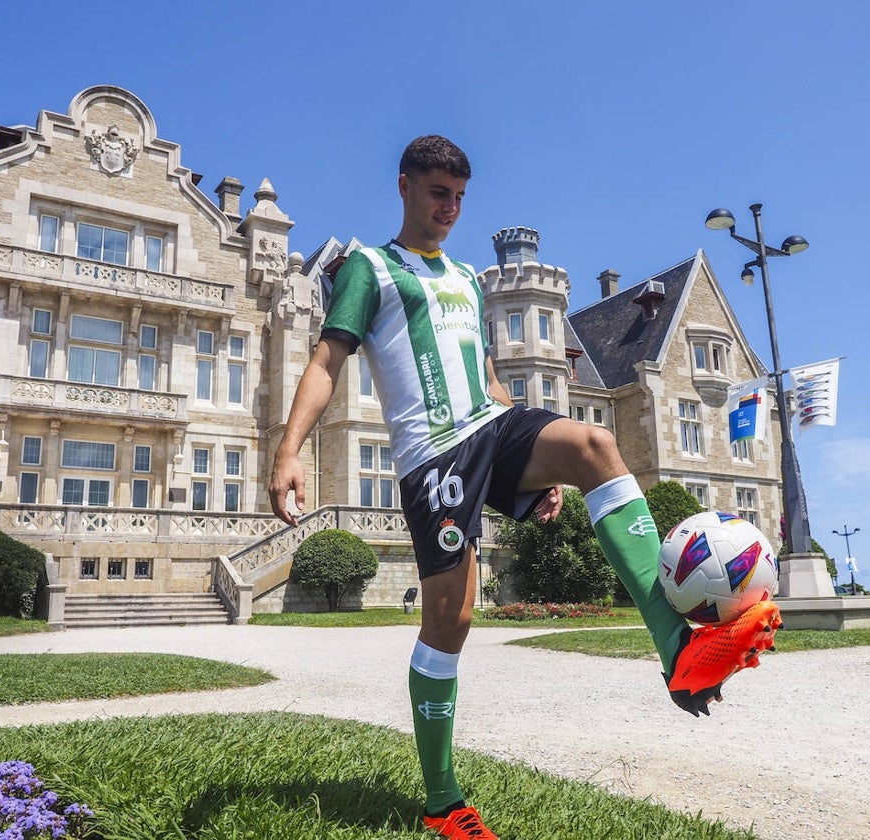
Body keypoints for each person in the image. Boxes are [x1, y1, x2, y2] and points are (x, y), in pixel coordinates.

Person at [269, 135, 782, 840]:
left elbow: (485, 379)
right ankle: (443, 802)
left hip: (490, 427)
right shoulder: (370, 267)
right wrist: (288, 449)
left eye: (458, 198)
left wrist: (537, 469)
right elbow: (327, 359)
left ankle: (678, 652)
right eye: (437, 193)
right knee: (450, 622)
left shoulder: (462, 279)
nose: (449, 209)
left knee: (596, 445)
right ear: (404, 187)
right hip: (434, 457)